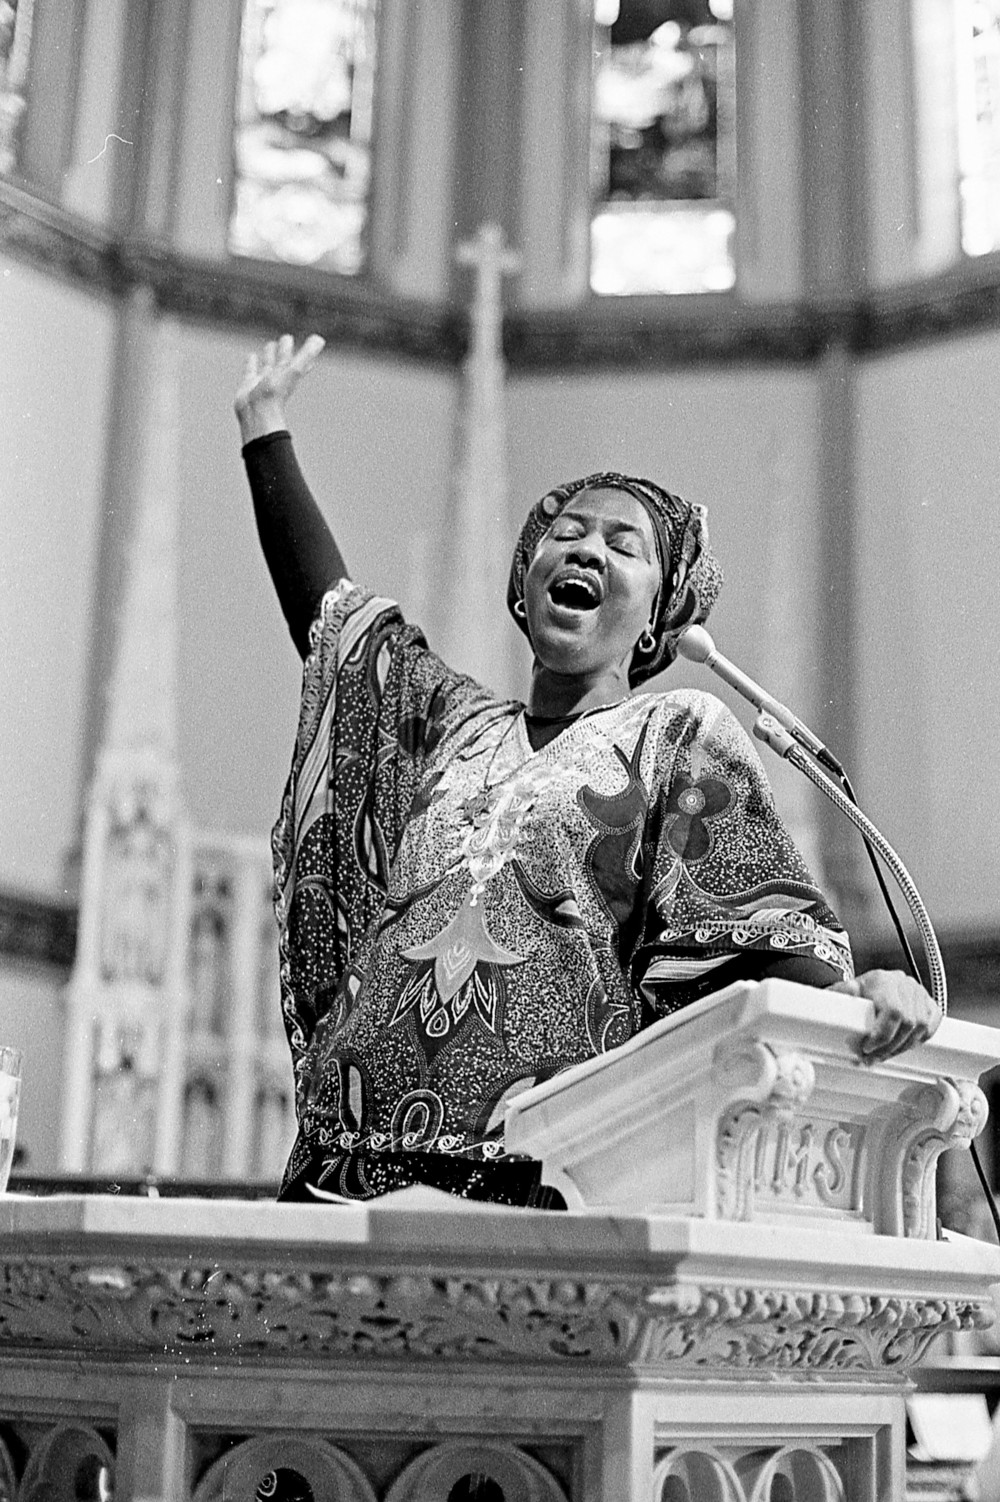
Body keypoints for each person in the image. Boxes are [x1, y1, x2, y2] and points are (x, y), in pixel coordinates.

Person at [236, 334, 943, 1207]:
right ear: (525, 589)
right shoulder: (443, 725)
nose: (585, 550)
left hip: (534, 1191)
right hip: (344, 1181)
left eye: (623, 544)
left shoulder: (676, 730)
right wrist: (264, 428)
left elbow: (756, 937)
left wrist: (863, 990)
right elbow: (337, 629)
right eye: (565, 535)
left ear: (656, 619)